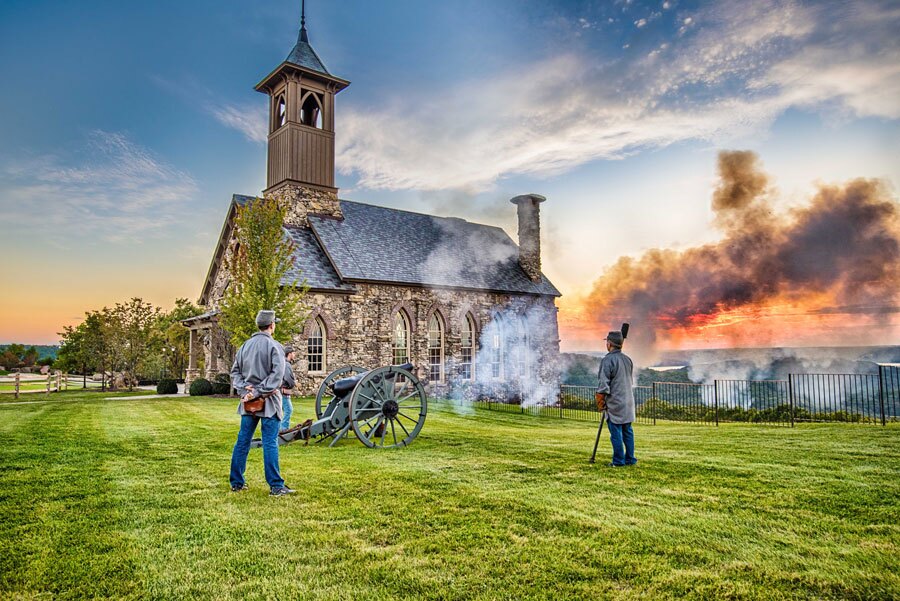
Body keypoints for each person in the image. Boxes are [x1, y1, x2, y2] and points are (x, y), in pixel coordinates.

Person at [229, 309, 295, 496]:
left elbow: (235, 373)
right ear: (272, 325)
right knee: (270, 442)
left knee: (243, 441)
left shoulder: (244, 346)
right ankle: (276, 486)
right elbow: (277, 376)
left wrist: (245, 391)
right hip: (269, 402)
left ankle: (237, 483)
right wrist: (257, 392)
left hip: (248, 402)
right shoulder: (275, 346)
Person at [596, 330, 637, 467]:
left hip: (615, 402)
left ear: (609, 344)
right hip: (628, 401)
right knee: (627, 431)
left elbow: (604, 384)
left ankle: (619, 461)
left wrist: (600, 399)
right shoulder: (627, 359)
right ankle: (630, 459)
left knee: (616, 432)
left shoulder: (607, 360)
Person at [280, 345, 297, 432]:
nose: (294, 355)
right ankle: (284, 429)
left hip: (283, 391)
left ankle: (281, 428)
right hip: (284, 391)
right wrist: (293, 383)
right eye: (293, 353)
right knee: (288, 410)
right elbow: (287, 378)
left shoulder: (284, 363)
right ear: (289, 354)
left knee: (284, 410)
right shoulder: (286, 364)